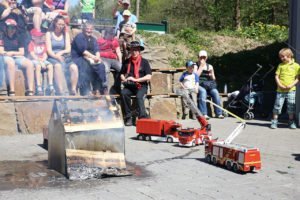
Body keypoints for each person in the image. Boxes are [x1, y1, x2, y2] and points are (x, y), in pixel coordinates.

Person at [120, 40, 152, 126]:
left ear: (139, 50)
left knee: (139, 97)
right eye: (132, 50)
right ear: (130, 50)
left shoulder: (144, 62)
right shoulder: (126, 61)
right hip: (130, 86)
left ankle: (142, 118)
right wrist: (124, 79)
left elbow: (149, 76)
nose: (134, 52)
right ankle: (128, 117)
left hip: (141, 86)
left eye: (136, 50)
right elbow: (122, 74)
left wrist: (135, 80)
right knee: (123, 93)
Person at [0, 18, 34, 96]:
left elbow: (21, 52)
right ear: (6, 27)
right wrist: (10, 54)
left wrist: (12, 53)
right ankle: (12, 90)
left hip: (16, 56)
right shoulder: (2, 36)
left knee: (29, 63)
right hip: (5, 56)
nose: (12, 29)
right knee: (10, 62)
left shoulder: (18, 37)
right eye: (10, 27)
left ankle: (30, 90)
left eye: (14, 27)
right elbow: (1, 51)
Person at [71, 21, 106, 96]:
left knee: (101, 66)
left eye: (91, 29)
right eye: (87, 29)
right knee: (85, 66)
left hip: (91, 59)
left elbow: (97, 50)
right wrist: (93, 57)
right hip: (79, 57)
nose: (89, 30)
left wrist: (97, 58)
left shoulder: (93, 39)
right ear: (83, 29)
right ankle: (86, 90)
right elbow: (83, 51)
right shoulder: (79, 37)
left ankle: (97, 89)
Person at [46, 15, 78, 95]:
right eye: (59, 24)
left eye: (63, 24)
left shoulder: (65, 34)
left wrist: (61, 53)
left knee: (74, 67)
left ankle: (73, 90)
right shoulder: (49, 34)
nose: (61, 26)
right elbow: (49, 50)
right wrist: (56, 56)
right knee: (58, 66)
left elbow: (68, 49)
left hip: (64, 56)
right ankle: (60, 90)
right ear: (55, 24)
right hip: (52, 57)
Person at [270, 48, 300, 129]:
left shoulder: (296, 66)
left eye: (283, 56)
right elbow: (276, 76)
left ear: (289, 55)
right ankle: (274, 121)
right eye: (281, 57)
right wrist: (279, 84)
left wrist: (291, 85)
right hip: (280, 90)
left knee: (291, 106)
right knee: (277, 106)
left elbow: (298, 78)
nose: (282, 58)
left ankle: (291, 122)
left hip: (291, 90)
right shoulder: (280, 65)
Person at [195, 50, 224, 119]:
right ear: (198, 57)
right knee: (203, 92)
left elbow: (213, 79)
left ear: (206, 58)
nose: (202, 59)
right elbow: (195, 77)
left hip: (208, 84)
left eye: (204, 57)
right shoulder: (195, 65)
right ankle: (204, 113)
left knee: (215, 92)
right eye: (201, 57)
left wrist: (211, 75)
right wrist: (201, 67)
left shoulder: (210, 66)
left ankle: (219, 113)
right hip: (198, 84)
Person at [28, 28, 55, 95]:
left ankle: (50, 85)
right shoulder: (31, 44)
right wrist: (40, 62)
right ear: (33, 37)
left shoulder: (43, 44)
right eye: (38, 36)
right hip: (34, 60)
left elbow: (45, 54)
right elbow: (32, 55)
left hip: (43, 60)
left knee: (50, 66)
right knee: (38, 66)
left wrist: (43, 60)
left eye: (41, 36)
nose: (40, 37)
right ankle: (38, 86)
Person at [97, 28, 122, 94]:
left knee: (121, 68)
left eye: (113, 35)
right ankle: (105, 88)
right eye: (110, 34)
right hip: (103, 58)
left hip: (113, 59)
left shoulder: (115, 41)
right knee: (106, 69)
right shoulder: (100, 40)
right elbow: (95, 51)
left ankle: (118, 86)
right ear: (106, 34)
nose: (112, 36)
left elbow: (118, 52)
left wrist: (120, 61)